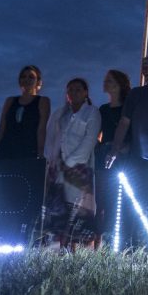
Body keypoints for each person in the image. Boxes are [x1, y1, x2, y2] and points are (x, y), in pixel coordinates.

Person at [44, 78, 102, 242]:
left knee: (77, 209)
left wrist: (70, 162)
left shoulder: (91, 112)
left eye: (78, 90)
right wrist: (51, 159)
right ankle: (59, 246)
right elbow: (51, 137)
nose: (73, 93)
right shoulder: (60, 113)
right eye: (70, 90)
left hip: (79, 168)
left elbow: (89, 140)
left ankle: (78, 247)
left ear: (85, 93)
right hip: (58, 169)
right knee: (57, 210)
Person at [0, 66, 51, 161]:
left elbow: (41, 129)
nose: (26, 79)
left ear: (38, 82)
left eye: (31, 77)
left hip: (29, 152)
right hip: (5, 151)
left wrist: (40, 153)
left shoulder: (43, 101)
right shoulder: (10, 101)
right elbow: (2, 129)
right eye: (23, 76)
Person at [97, 69, 131, 160]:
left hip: (124, 156)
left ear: (118, 85)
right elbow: (97, 132)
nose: (105, 82)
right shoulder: (103, 109)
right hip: (105, 153)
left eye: (109, 80)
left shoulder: (129, 108)